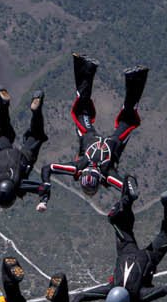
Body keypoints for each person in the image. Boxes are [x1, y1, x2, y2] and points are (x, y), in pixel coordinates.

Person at [81, 187, 167, 302]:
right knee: (119, 224)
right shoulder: (110, 289)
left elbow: (166, 289)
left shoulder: (139, 296)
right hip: (126, 252)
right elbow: (83, 296)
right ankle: (127, 198)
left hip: (148, 257)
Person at [49, 58, 146, 199]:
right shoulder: (79, 168)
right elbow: (49, 168)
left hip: (108, 141)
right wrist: (44, 189)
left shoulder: (105, 175)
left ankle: (136, 76)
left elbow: (128, 188)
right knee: (82, 111)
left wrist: (129, 197)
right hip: (92, 138)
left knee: (127, 119)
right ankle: (85, 65)